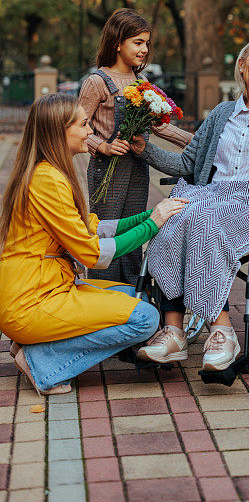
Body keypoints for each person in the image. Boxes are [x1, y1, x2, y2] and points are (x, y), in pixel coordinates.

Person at [130, 35, 249, 372]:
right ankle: (174, 330)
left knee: (200, 217)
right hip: (210, 197)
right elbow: (187, 165)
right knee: (173, 217)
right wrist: (143, 149)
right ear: (241, 64)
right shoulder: (222, 113)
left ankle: (222, 331)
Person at [0, 93, 186, 396]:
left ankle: (35, 344)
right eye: (84, 124)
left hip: (42, 290)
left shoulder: (50, 170)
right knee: (146, 318)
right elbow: (92, 254)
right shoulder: (48, 179)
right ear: (61, 131)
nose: (90, 132)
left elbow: (92, 229)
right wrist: (153, 225)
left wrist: (149, 215)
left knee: (132, 293)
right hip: (31, 302)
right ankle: (43, 364)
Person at [78, 8, 192, 285]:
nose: (144, 50)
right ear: (117, 43)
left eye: (146, 43)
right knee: (107, 233)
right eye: (138, 42)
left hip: (138, 168)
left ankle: (132, 297)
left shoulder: (141, 83)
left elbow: (159, 127)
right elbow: (75, 126)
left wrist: (200, 141)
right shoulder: (97, 82)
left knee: (136, 232)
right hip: (107, 171)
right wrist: (101, 147)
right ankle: (104, 294)